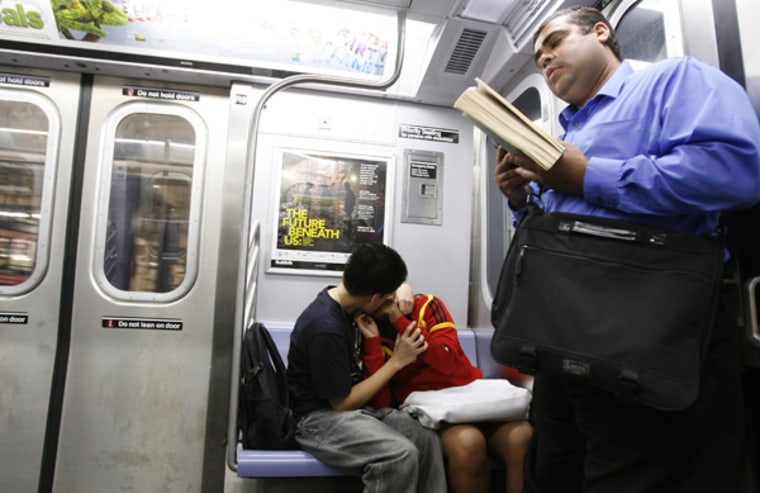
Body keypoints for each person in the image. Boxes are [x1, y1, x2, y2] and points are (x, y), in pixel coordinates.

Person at [492, 6, 760, 492]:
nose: (544, 58)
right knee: (553, 472)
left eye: (553, 41)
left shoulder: (673, 81)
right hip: (560, 331)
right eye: (537, 57)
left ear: (601, 32)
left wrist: (584, 174)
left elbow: (732, 171)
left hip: (649, 325)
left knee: (640, 473)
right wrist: (520, 200)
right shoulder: (565, 135)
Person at [286, 242, 447, 493]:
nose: (390, 302)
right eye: (387, 297)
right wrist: (396, 362)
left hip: (357, 413)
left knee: (426, 439)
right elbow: (341, 404)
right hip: (317, 420)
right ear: (374, 298)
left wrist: (405, 289)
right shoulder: (325, 328)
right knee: (398, 455)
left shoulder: (350, 305)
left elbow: (396, 293)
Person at [358, 283, 533, 493]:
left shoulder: (427, 306)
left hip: (472, 396)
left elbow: (448, 362)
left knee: (522, 436)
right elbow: (381, 402)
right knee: (468, 443)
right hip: (432, 410)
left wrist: (400, 321)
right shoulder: (366, 328)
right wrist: (374, 343)